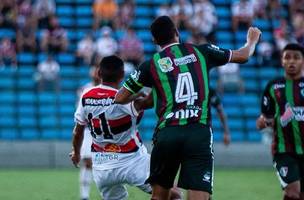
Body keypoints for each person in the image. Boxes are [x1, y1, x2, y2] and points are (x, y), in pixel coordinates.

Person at [115, 15, 261, 200]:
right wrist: (252, 40)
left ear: (154, 40)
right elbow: (244, 55)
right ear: (176, 33)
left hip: (167, 134)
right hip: (197, 132)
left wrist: (142, 96)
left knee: (159, 196)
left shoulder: (150, 65)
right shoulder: (202, 51)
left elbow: (120, 98)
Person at [70, 55, 181, 200]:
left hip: (103, 168)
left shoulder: (86, 96)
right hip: (132, 161)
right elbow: (149, 102)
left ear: (99, 73)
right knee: (173, 193)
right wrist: (167, 81)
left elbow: (78, 131)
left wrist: (76, 153)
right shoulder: (125, 99)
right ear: (122, 75)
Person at [256, 43, 304, 200]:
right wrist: (264, 122)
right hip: (283, 151)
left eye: (296, 58)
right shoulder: (273, 86)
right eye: (287, 57)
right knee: (292, 192)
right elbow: (264, 119)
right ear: (282, 61)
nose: (291, 61)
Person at [76, 66, 101, 200]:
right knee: (87, 161)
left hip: (103, 131)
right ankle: (84, 195)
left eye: (97, 70)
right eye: (93, 71)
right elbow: (80, 110)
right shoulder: (85, 89)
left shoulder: (107, 89)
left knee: (100, 164)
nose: (95, 73)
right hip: (88, 130)